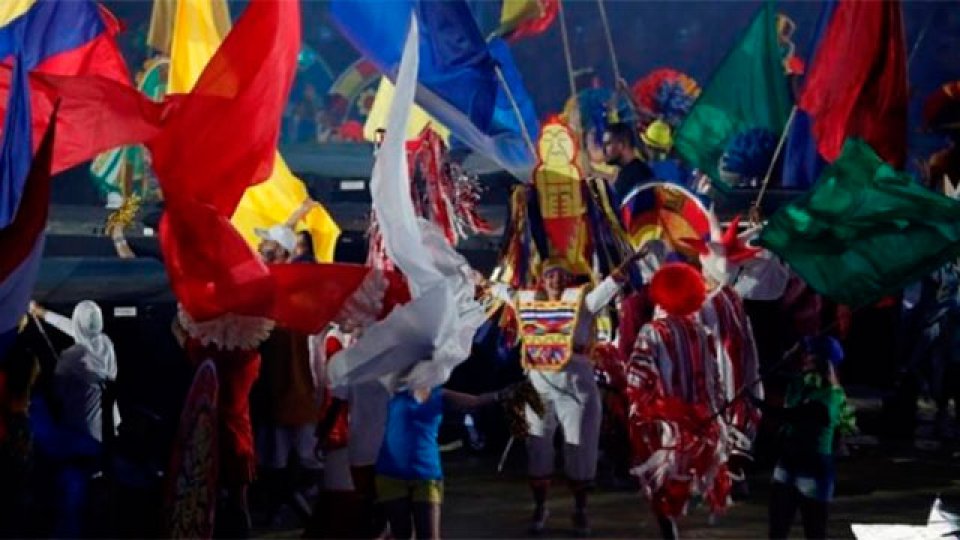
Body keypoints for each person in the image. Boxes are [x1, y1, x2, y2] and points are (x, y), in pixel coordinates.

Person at [490, 253, 641, 536]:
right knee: (537, 448)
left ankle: (580, 509)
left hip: (576, 386)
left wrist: (626, 266)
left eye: (560, 275)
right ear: (542, 280)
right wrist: (479, 281)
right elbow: (503, 291)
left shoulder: (581, 303)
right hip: (538, 386)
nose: (555, 280)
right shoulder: (528, 303)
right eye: (549, 275)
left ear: (568, 279)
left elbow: (608, 287)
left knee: (579, 448)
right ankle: (540, 507)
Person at [626, 263, 728, 540]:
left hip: (666, 418)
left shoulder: (653, 331)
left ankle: (669, 524)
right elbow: (714, 378)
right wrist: (716, 410)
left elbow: (637, 375)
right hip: (700, 416)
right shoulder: (700, 332)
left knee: (662, 477)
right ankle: (674, 516)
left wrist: (641, 403)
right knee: (684, 472)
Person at [375, 382, 515, 540]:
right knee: (401, 535)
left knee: (430, 536)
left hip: (427, 474)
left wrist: (502, 394)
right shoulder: (392, 390)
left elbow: (475, 401)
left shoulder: (440, 394)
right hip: (391, 473)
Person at [756, 335, 856, 540]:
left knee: (814, 532)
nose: (805, 358)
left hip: (814, 468)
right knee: (777, 531)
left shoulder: (831, 396)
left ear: (823, 361)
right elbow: (770, 375)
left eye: (811, 354)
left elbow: (794, 415)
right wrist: (789, 353)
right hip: (788, 463)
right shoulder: (800, 383)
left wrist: (755, 403)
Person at [29, 301, 119, 443]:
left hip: (82, 431)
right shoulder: (106, 343)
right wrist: (43, 313)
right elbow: (77, 329)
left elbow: (58, 392)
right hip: (109, 427)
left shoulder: (71, 356)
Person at [603, 122, 654, 206]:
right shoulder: (636, 171)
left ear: (621, 145)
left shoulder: (635, 176)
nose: (604, 150)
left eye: (608, 144)